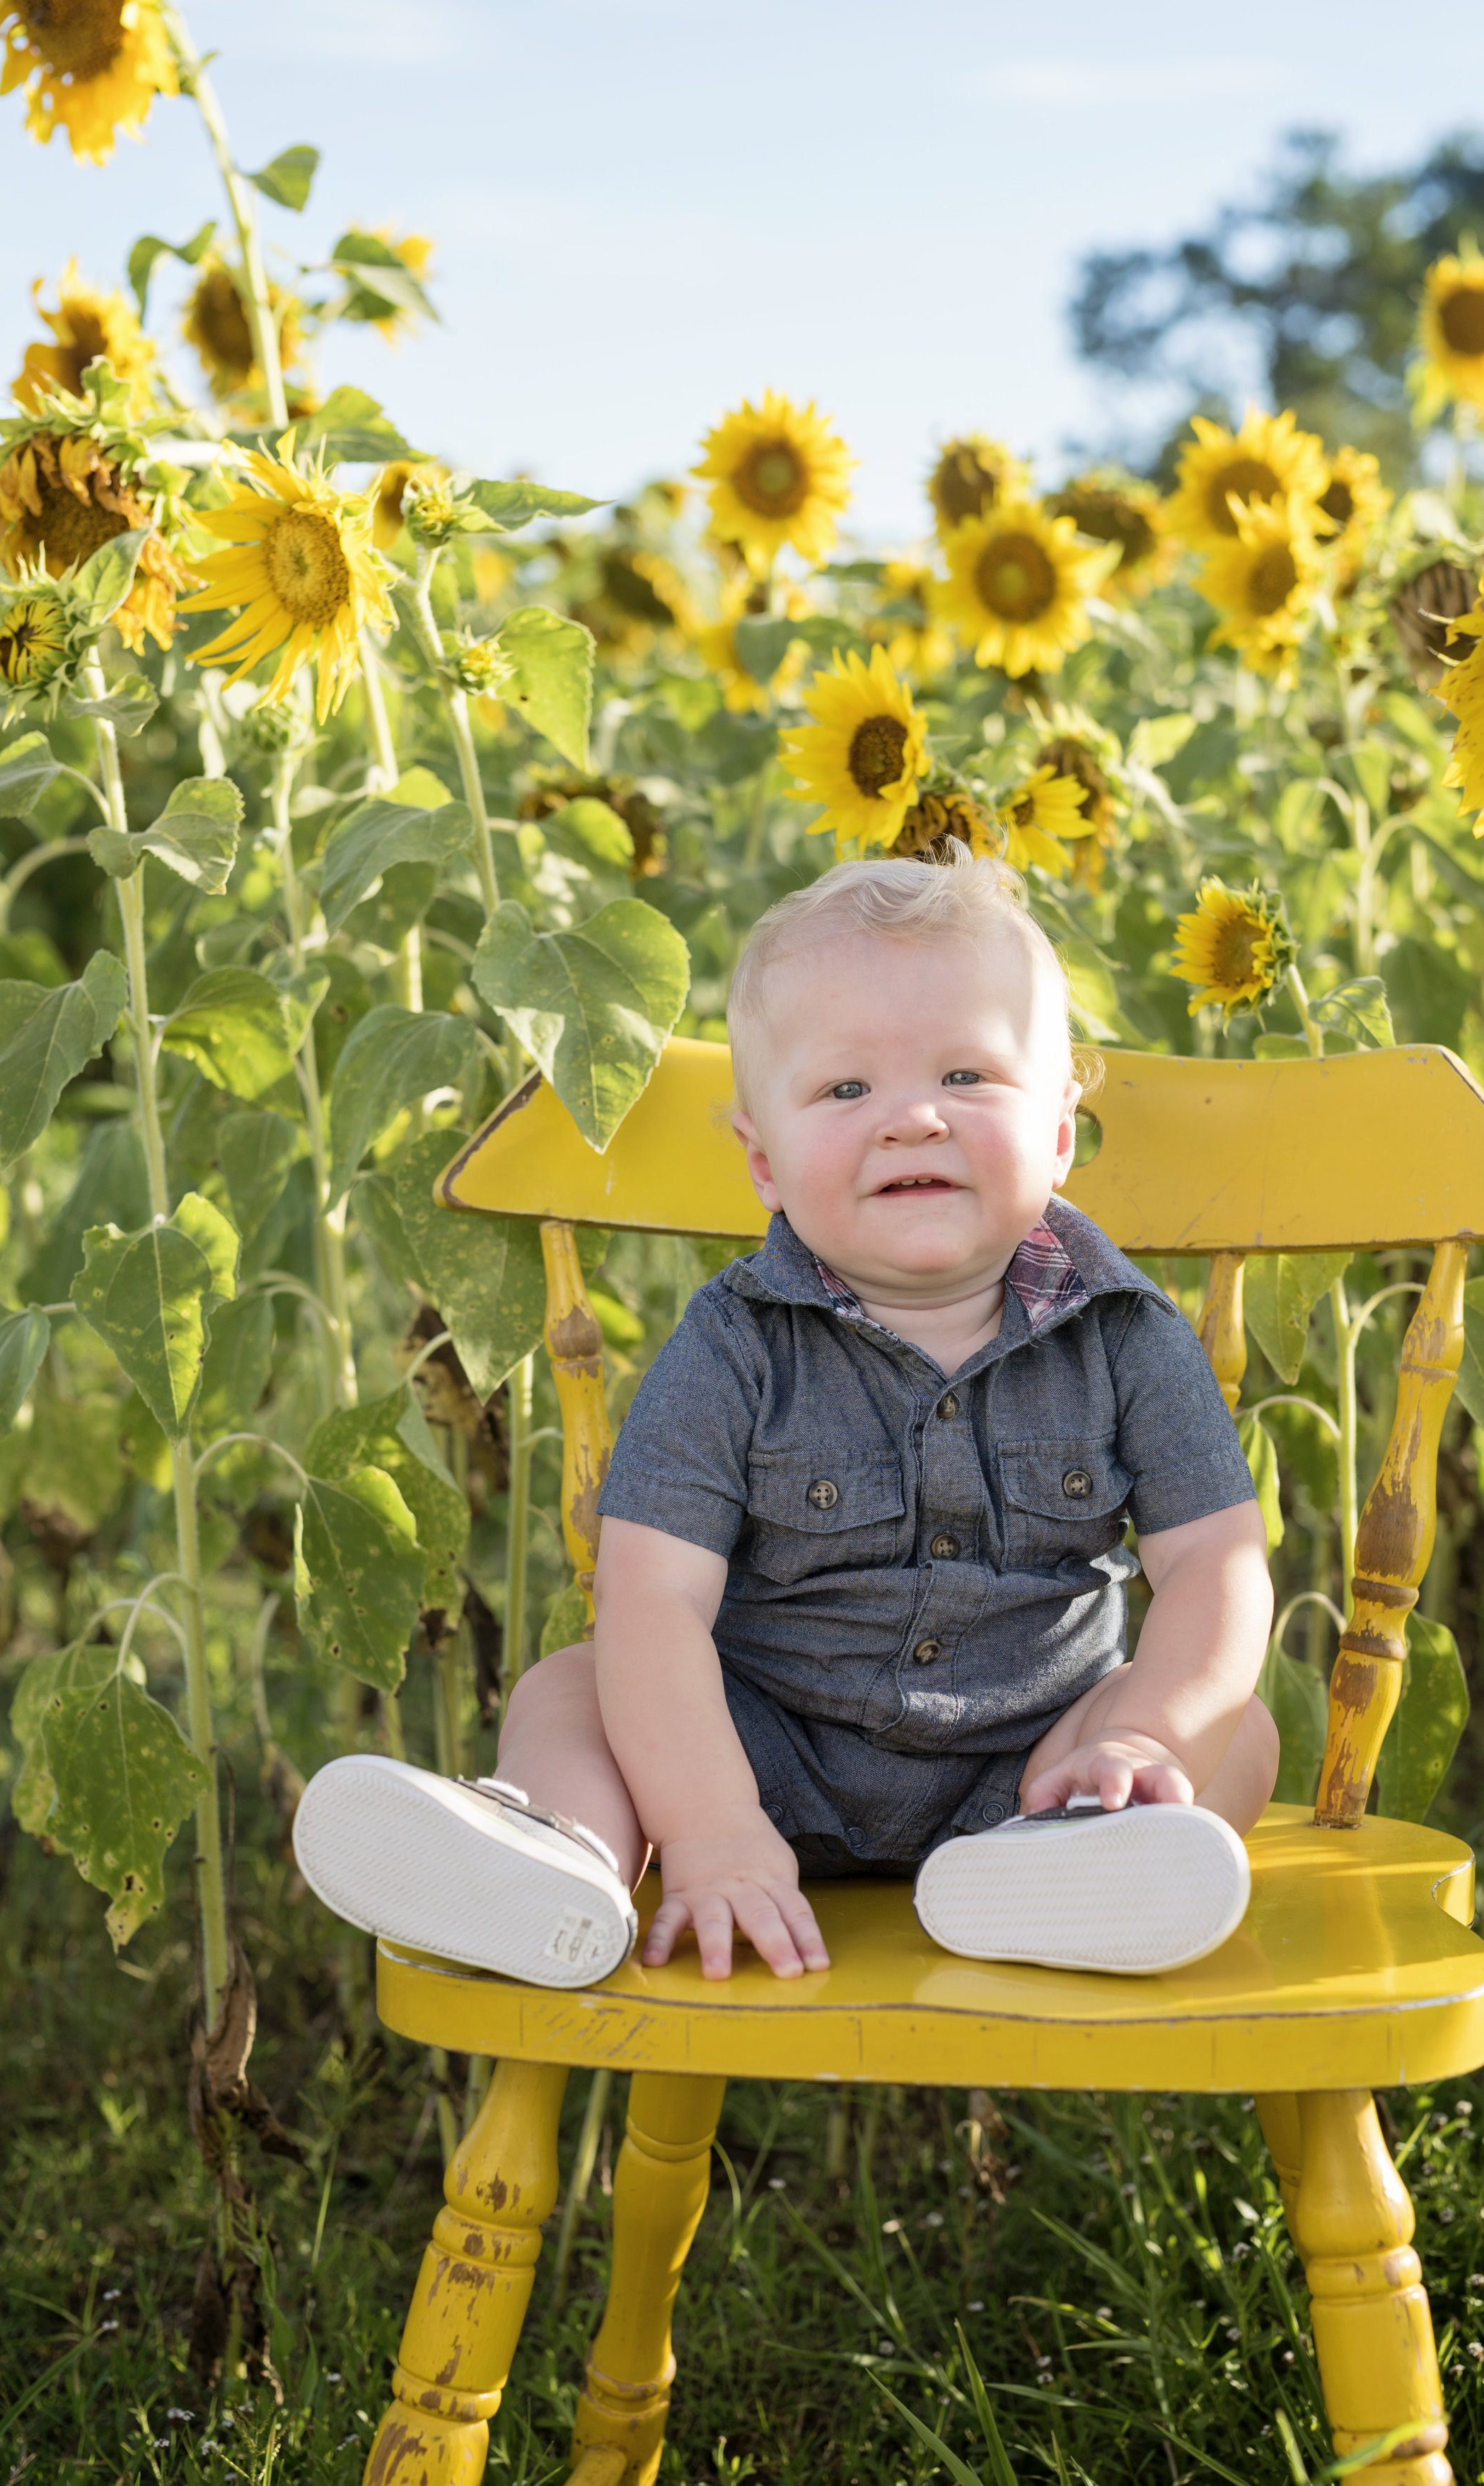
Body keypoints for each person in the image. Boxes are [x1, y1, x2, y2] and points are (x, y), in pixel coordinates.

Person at [295, 845, 1278, 1989]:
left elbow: (1216, 1559)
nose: (913, 1118)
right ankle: (555, 1859)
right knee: (571, 1687)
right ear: (763, 1161)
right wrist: (708, 1827)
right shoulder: (734, 1347)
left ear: (1060, 1132)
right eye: (846, 1090)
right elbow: (654, 1594)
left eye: (967, 1075)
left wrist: (1145, 1735)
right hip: (752, 1754)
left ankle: (1070, 1873)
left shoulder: (1128, 1336)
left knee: (1232, 1732)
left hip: (1037, 1762)